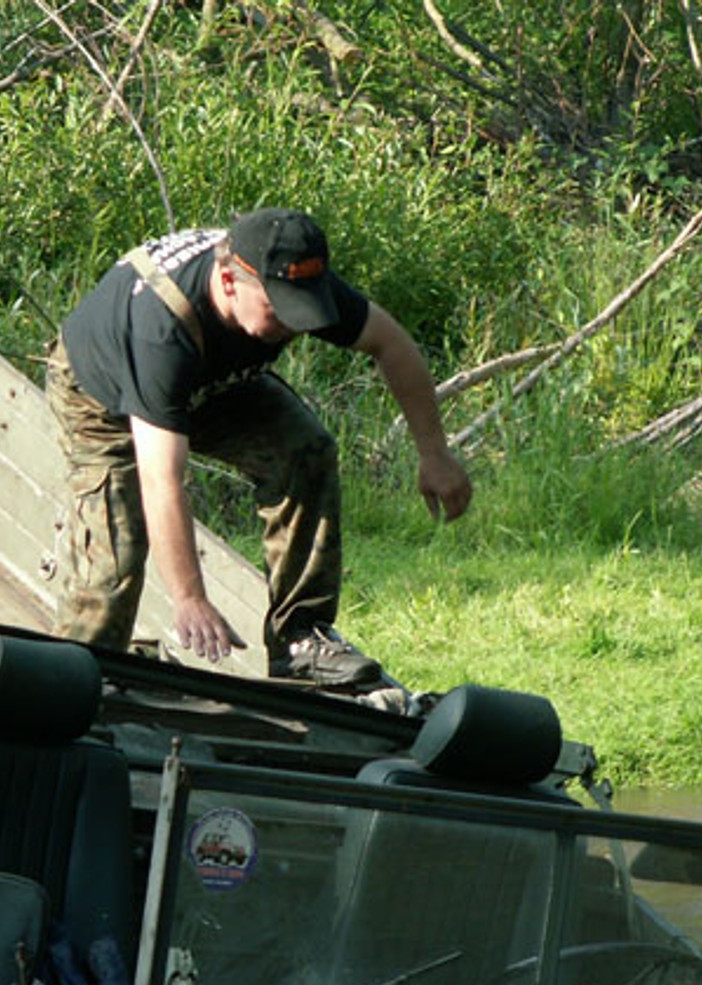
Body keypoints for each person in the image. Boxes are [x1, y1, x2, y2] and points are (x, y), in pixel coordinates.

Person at [46, 207, 472, 685]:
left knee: (304, 449)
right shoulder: (161, 330)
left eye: (303, 310)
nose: (296, 324)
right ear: (229, 281)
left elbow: (390, 343)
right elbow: (161, 480)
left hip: (214, 383)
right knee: (113, 558)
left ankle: (300, 639)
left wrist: (434, 453)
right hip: (102, 399)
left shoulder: (291, 274)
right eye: (281, 310)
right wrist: (189, 597)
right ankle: (74, 678)